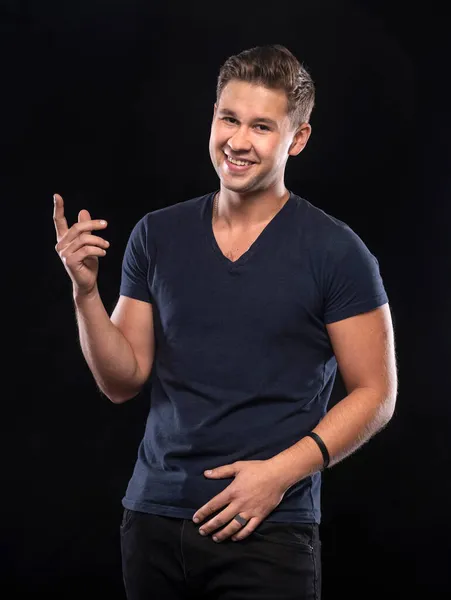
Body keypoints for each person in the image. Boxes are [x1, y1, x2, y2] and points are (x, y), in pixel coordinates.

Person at [53, 44, 397, 600]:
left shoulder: (337, 252)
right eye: (228, 118)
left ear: (298, 139)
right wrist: (86, 293)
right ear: (212, 116)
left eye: (262, 126)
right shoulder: (155, 236)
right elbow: (122, 380)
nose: (238, 141)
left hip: (269, 530)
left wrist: (278, 476)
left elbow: (377, 393)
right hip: (153, 519)